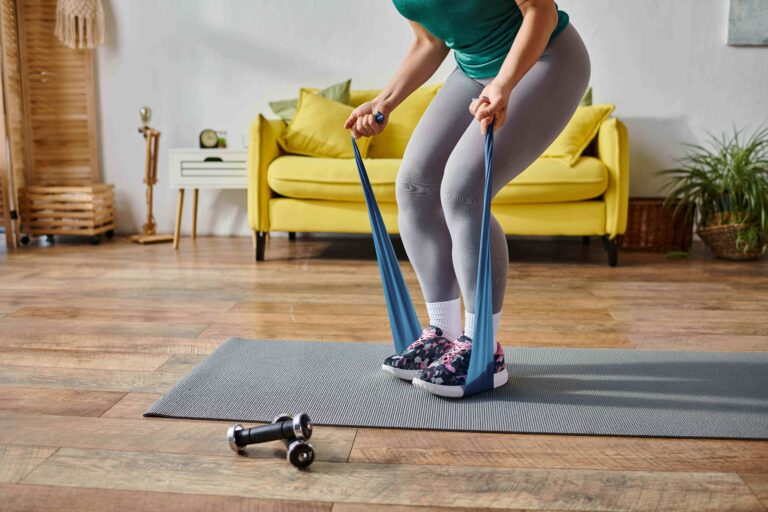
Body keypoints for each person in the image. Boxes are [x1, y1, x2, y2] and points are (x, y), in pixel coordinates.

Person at [344, 0, 590, 398]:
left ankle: (483, 350)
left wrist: (505, 84)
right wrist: (384, 101)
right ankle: (444, 332)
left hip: (545, 59)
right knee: (415, 184)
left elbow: (540, 12)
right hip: (475, 68)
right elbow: (429, 41)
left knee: (463, 190)